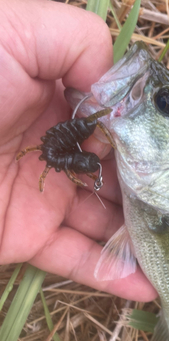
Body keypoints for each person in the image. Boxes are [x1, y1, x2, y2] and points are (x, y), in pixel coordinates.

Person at [0, 0, 157, 301]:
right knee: (92, 127)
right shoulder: (59, 156)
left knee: (91, 126)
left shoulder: (55, 156)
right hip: (68, 140)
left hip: (68, 139)